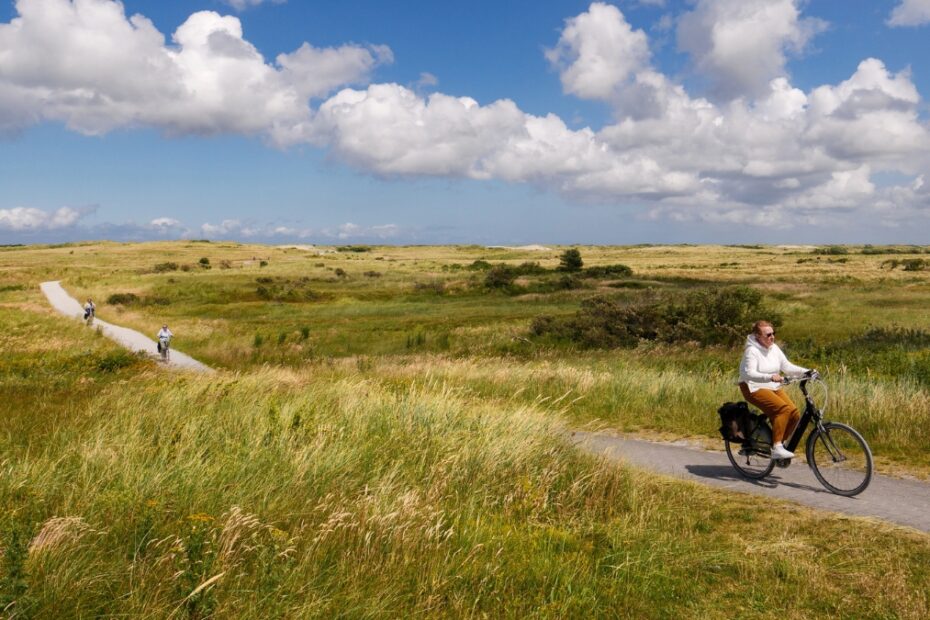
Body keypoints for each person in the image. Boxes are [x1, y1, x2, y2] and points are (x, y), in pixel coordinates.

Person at [738, 320, 810, 460]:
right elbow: (748, 374)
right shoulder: (751, 351)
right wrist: (770, 377)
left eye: (773, 333)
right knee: (782, 409)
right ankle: (777, 447)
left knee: (794, 413)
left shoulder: (773, 348)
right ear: (758, 336)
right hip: (753, 387)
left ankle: (776, 444)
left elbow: (787, 367)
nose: (772, 337)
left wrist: (807, 372)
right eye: (768, 334)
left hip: (772, 385)